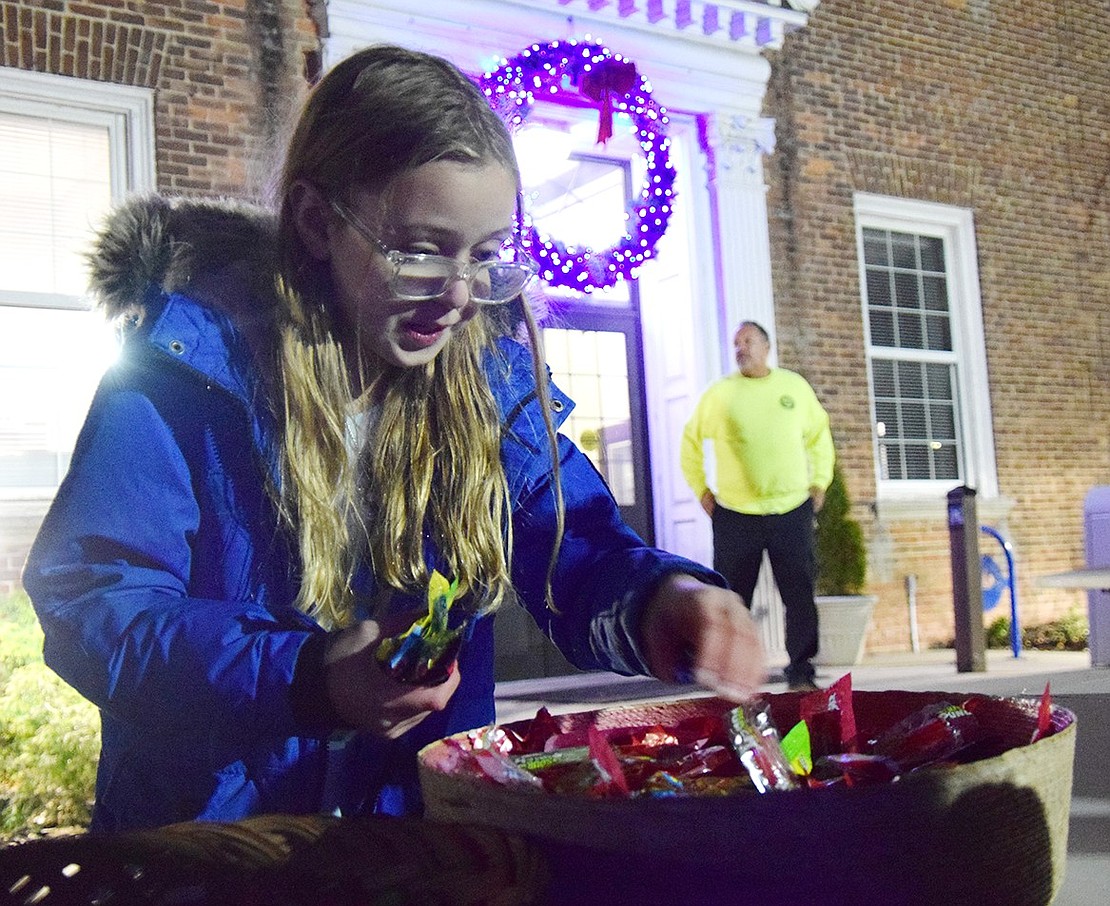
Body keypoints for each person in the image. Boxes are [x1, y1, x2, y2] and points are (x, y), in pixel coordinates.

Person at [22, 45, 765, 833]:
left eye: (484, 256)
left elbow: (573, 543)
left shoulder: (490, 388)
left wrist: (661, 599)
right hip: (214, 849)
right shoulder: (180, 379)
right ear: (316, 222)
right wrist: (306, 677)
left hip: (419, 842)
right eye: (418, 250)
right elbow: (97, 605)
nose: (457, 297)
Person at [680, 320, 834, 691]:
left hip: (791, 509)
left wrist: (820, 481)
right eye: (736, 343)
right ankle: (731, 674)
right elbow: (691, 443)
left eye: (748, 341)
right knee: (732, 599)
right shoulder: (720, 395)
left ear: (766, 346)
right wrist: (703, 490)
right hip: (735, 514)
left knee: (798, 594)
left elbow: (818, 435)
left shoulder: (793, 388)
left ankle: (801, 672)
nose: (741, 348)